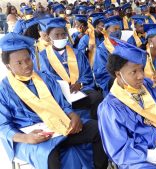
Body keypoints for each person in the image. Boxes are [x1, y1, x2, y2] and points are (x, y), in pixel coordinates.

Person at [0, 32, 108, 169]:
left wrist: (73, 115)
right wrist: (25, 138)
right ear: (8, 66)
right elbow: (3, 126)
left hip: (59, 125)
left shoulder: (45, 78)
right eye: (19, 63)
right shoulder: (3, 90)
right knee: (49, 154)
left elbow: (63, 104)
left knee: (98, 129)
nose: (26, 65)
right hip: (29, 136)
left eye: (28, 59)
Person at [98, 39, 156, 169]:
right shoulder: (110, 108)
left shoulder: (148, 85)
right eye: (134, 72)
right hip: (138, 159)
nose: (141, 76)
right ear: (118, 74)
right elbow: (120, 152)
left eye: (141, 69)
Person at [38, 17, 102, 120]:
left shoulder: (77, 53)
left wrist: (79, 84)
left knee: (97, 97)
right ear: (49, 37)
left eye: (63, 34)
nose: (61, 38)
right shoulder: (42, 56)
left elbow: (87, 74)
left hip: (80, 90)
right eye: (56, 35)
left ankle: (95, 124)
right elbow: (45, 77)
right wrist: (63, 88)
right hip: (58, 93)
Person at [93, 16, 122, 96]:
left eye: (119, 29)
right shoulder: (101, 50)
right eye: (115, 29)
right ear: (106, 31)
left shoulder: (124, 45)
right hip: (111, 85)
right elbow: (102, 74)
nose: (118, 31)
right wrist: (120, 79)